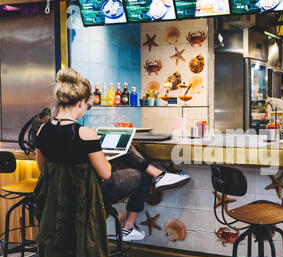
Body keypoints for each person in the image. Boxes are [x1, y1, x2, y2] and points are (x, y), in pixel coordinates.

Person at [35, 68, 190, 242]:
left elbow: (43, 168)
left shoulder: (42, 130)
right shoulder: (85, 133)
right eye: (87, 106)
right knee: (142, 175)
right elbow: (105, 174)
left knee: (122, 151)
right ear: (81, 102)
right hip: (90, 194)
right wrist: (107, 157)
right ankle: (128, 227)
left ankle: (158, 176)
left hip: (59, 196)